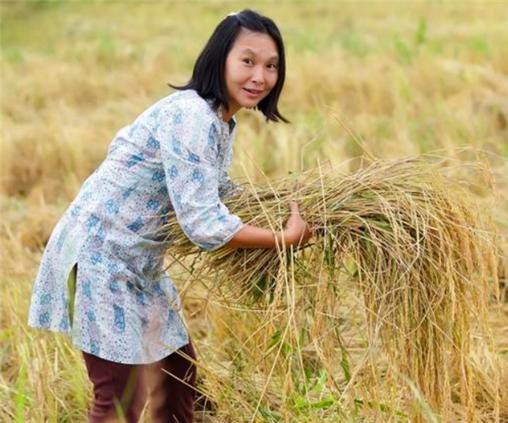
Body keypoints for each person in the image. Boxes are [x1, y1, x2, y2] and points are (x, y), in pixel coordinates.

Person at [28, 9, 312, 422]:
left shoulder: (218, 121)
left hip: (139, 265)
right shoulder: (191, 116)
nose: (260, 76)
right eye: (247, 61)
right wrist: (282, 239)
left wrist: (281, 201)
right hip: (101, 258)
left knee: (178, 379)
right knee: (120, 398)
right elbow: (203, 222)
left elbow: (214, 191)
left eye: (271, 66)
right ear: (219, 59)